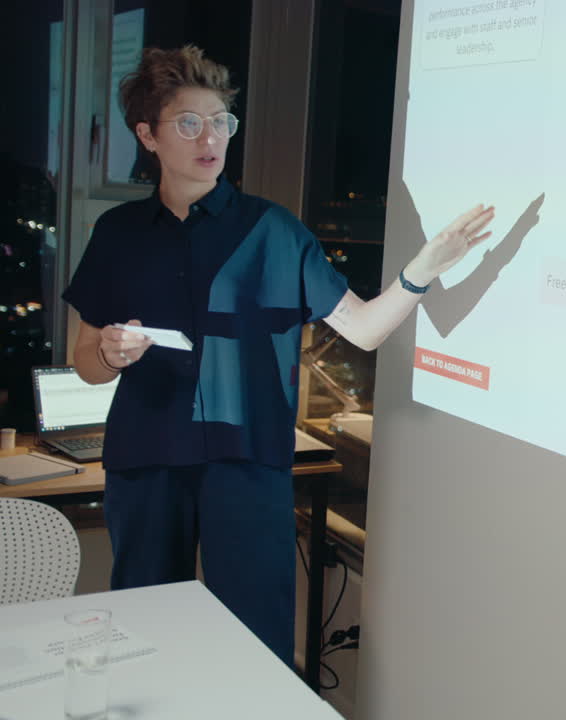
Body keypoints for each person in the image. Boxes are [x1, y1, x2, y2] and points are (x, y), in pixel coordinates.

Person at [62, 45, 494, 665]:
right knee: (140, 634)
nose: (210, 137)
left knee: (255, 641)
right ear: (147, 135)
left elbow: (365, 330)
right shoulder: (118, 234)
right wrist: (109, 352)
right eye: (189, 122)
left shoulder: (273, 229)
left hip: (249, 463)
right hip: (147, 457)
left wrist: (421, 273)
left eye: (221, 122)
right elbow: (85, 360)